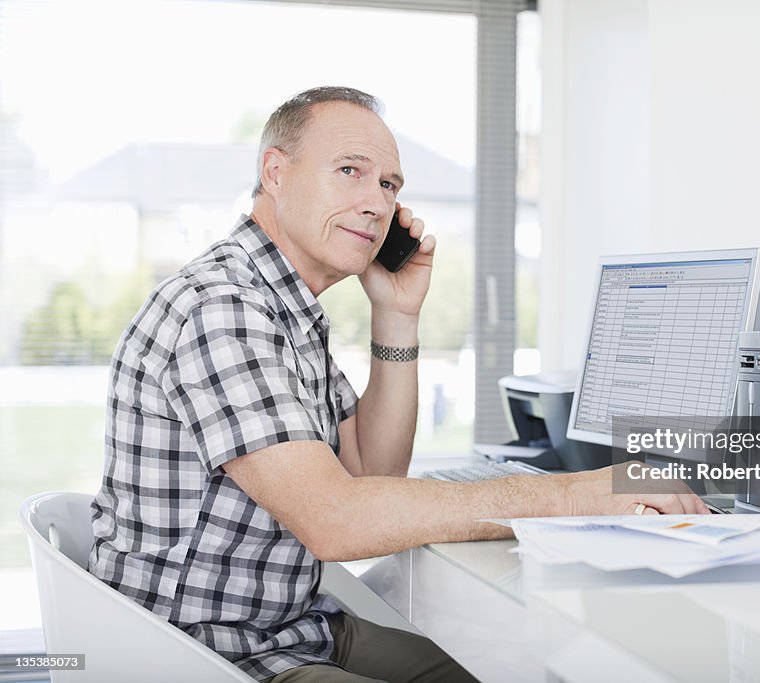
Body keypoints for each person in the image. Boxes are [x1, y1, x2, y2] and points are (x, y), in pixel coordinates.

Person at [89, 86, 708, 683]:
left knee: (510, 668)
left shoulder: (285, 310)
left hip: (289, 629)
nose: (377, 203)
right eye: (351, 171)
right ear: (275, 173)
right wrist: (567, 496)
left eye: (389, 185)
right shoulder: (224, 307)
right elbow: (338, 522)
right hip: (202, 652)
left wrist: (397, 314)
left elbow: (371, 475)